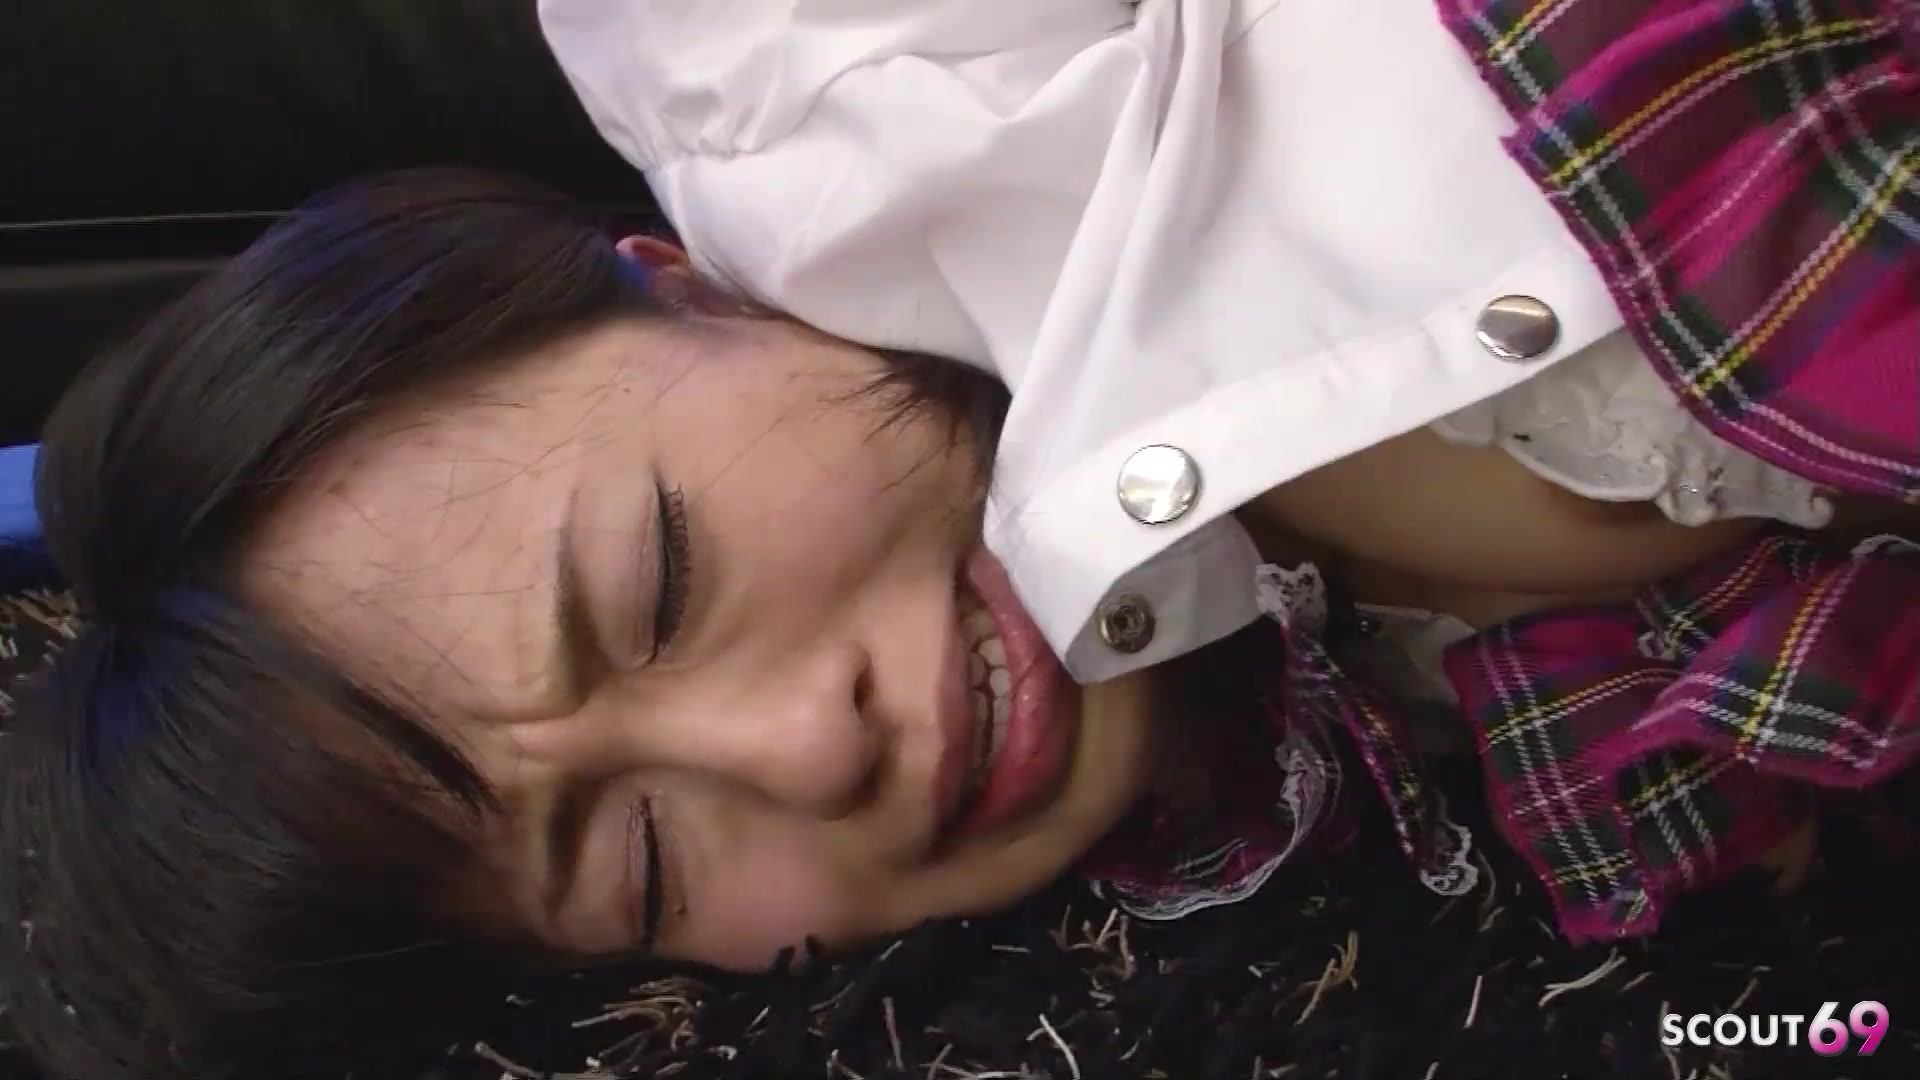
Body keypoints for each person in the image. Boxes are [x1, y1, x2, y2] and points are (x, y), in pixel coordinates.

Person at [0, 0, 1915, 1075]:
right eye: (646, 860)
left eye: (659, 578)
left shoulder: (840, 88)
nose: (806, 747)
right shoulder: (1386, 856)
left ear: (688, 283)